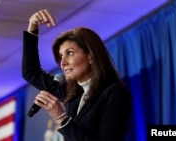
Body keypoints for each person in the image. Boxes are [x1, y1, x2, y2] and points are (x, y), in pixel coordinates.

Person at [22, 9, 132, 141]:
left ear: (91, 56)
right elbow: (31, 72)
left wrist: (61, 118)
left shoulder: (113, 93)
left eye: (70, 53)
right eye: (61, 56)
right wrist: (32, 27)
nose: (63, 63)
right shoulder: (73, 93)